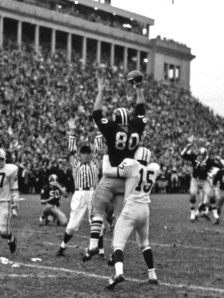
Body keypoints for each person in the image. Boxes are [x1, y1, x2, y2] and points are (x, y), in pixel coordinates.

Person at [83, 74, 147, 262]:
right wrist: (138, 88)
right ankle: (115, 252)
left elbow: (96, 113)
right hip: (126, 180)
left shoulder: (111, 127)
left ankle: (94, 245)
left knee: (97, 207)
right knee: (120, 217)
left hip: (112, 175)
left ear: (115, 119)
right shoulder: (136, 128)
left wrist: (101, 91)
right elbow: (141, 108)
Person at [101, 147, 160, 290]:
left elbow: (107, 171)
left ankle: (119, 273)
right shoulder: (155, 168)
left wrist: (106, 156)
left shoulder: (131, 164)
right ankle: (152, 274)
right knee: (144, 242)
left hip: (131, 208)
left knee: (118, 243)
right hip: (145, 209)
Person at [56, 131, 100, 257]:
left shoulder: (95, 162)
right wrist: (71, 132)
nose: (86, 156)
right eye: (84, 153)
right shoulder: (76, 163)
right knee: (72, 224)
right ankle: (63, 246)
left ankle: (100, 250)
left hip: (92, 192)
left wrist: (98, 131)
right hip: (79, 193)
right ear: (80, 155)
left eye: (88, 153)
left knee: (96, 221)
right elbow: (72, 150)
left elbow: (98, 149)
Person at [180, 140, 224, 223]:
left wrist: (218, 160)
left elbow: (221, 167)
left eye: (202, 156)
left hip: (204, 181)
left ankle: (215, 215)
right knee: (192, 195)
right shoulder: (194, 157)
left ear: (206, 156)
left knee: (211, 195)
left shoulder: (210, 161)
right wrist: (186, 148)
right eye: (200, 155)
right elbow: (182, 155)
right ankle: (192, 214)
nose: (200, 157)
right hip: (195, 180)